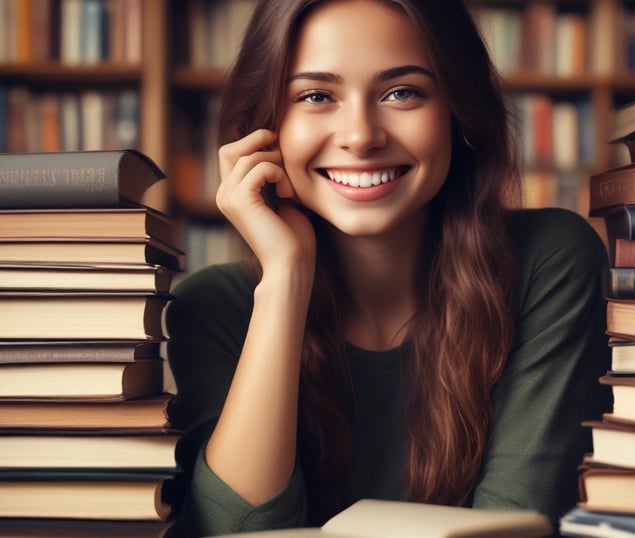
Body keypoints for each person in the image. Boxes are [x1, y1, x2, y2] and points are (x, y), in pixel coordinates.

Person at [165, 0, 611, 536]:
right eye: (316, 96)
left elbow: (513, 524)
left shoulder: (550, 260)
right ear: (265, 130)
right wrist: (285, 278)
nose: (361, 135)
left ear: (458, 112)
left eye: (402, 92)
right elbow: (236, 532)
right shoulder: (211, 309)